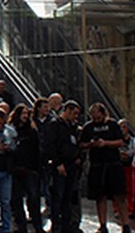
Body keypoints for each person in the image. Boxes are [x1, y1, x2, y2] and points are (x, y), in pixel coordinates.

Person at [78, 103, 131, 233]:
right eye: (93, 116)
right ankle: (102, 224)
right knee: (99, 196)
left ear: (103, 113)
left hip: (113, 164)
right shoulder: (88, 127)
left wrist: (106, 143)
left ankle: (126, 224)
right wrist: (91, 144)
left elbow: (120, 141)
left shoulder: (112, 125)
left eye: (97, 115)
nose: (95, 118)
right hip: (97, 165)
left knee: (119, 195)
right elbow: (81, 144)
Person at [44, 100, 82, 233]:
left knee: (68, 197)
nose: (76, 116)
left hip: (72, 165)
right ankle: (56, 226)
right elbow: (51, 145)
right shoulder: (55, 125)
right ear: (67, 111)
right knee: (57, 197)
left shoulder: (72, 127)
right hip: (60, 165)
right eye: (74, 113)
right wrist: (57, 162)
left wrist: (77, 157)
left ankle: (66, 225)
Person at [8, 105, 43, 233]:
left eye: (27, 113)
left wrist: (37, 168)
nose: (25, 116)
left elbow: (36, 150)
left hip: (29, 169)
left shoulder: (32, 131)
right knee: (16, 199)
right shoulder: (11, 130)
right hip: (15, 169)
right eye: (22, 113)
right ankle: (21, 225)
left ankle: (37, 224)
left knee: (33, 198)